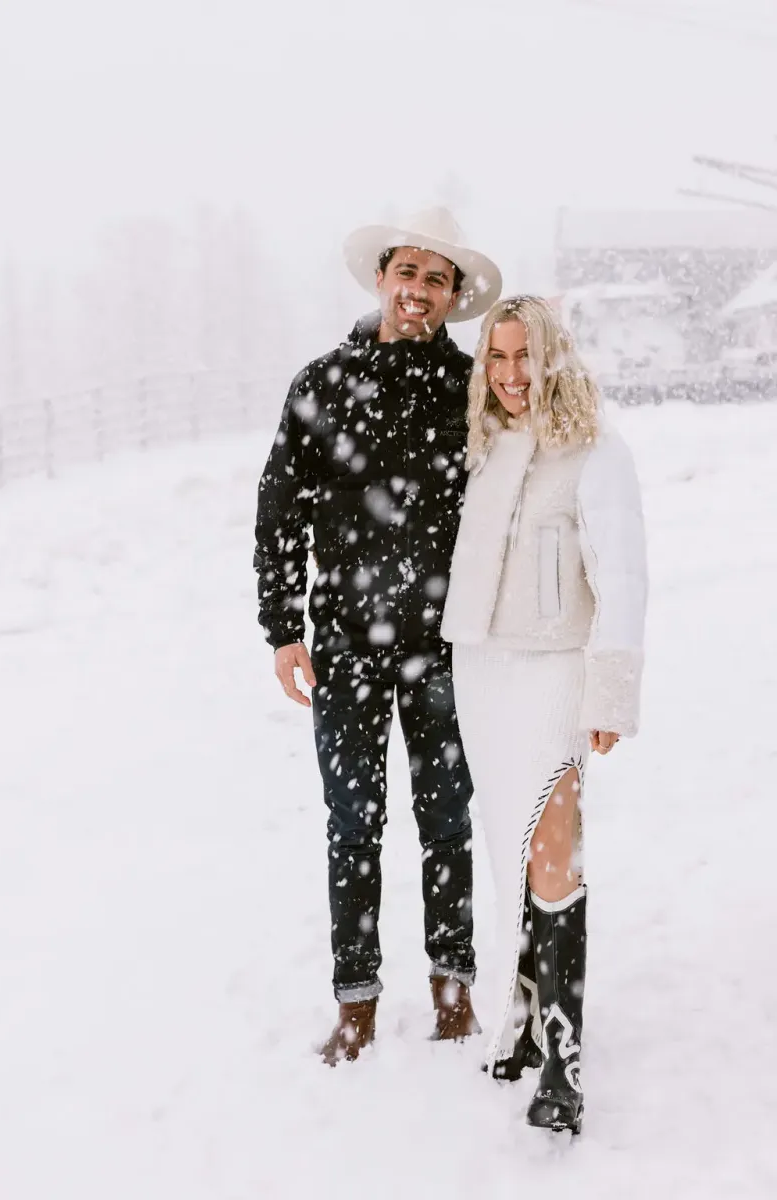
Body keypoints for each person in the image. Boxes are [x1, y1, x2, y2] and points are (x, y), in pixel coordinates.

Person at [254, 208, 503, 1065]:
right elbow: (281, 510)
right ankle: (355, 1003)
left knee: (447, 820)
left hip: (447, 645)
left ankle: (453, 990)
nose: (418, 290)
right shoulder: (323, 383)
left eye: (437, 279)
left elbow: (507, 509)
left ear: (452, 297)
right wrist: (284, 628)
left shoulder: (472, 392)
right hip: (349, 641)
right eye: (408, 272)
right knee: (353, 820)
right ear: (380, 279)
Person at [441, 295, 647, 1132]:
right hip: (484, 671)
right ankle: (521, 1015)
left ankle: (563, 1052)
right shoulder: (487, 447)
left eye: (526, 357)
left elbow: (624, 580)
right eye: (497, 358)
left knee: (554, 851)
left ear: (555, 356)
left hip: (557, 671)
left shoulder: (597, 450)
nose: (512, 376)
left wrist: (609, 694)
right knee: (510, 853)